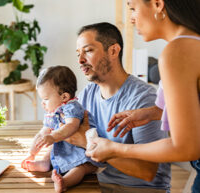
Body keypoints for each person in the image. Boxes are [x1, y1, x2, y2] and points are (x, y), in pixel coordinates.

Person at [84, 0, 200, 192]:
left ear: (157, 4)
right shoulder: (192, 43)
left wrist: (115, 149)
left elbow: (186, 147)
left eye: (133, 8)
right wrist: (151, 113)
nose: (131, 19)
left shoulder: (177, 52)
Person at [64, 22, 171, 192]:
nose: (80, 60)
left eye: (88, 51)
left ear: (113, 51)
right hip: (99, 184)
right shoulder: (88, 94)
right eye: (78, 53)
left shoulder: (143, 98)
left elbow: (147, 172)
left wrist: (88, 143)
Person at [21, 66, 102, 193]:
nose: (43, 103)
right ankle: (44, 163)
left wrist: (53, 137)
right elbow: (43, 132)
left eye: (46, 99)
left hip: (83, 152)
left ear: (64, 97)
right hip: (64, 148)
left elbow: (71, 126)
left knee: (81, 169)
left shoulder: (72, 107)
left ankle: (65, 182)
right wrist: (32, 153)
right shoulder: (54, 112)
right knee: (51, 149)